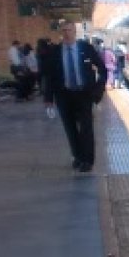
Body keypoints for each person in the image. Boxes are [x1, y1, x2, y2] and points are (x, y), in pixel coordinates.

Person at [42, 24, 107, 173]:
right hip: (64, 95)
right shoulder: (55, 51)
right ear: (61, 32)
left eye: (69, 30)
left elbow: (102, 69)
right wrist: (48, 99)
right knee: (70, 128)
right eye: (64, 30)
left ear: (75, 31)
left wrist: (98, 90)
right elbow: (49, 76)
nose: (67, 33)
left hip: (84, 94)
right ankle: (77, 156)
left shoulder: (86, 48)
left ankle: (88, 160)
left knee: (86, 128)